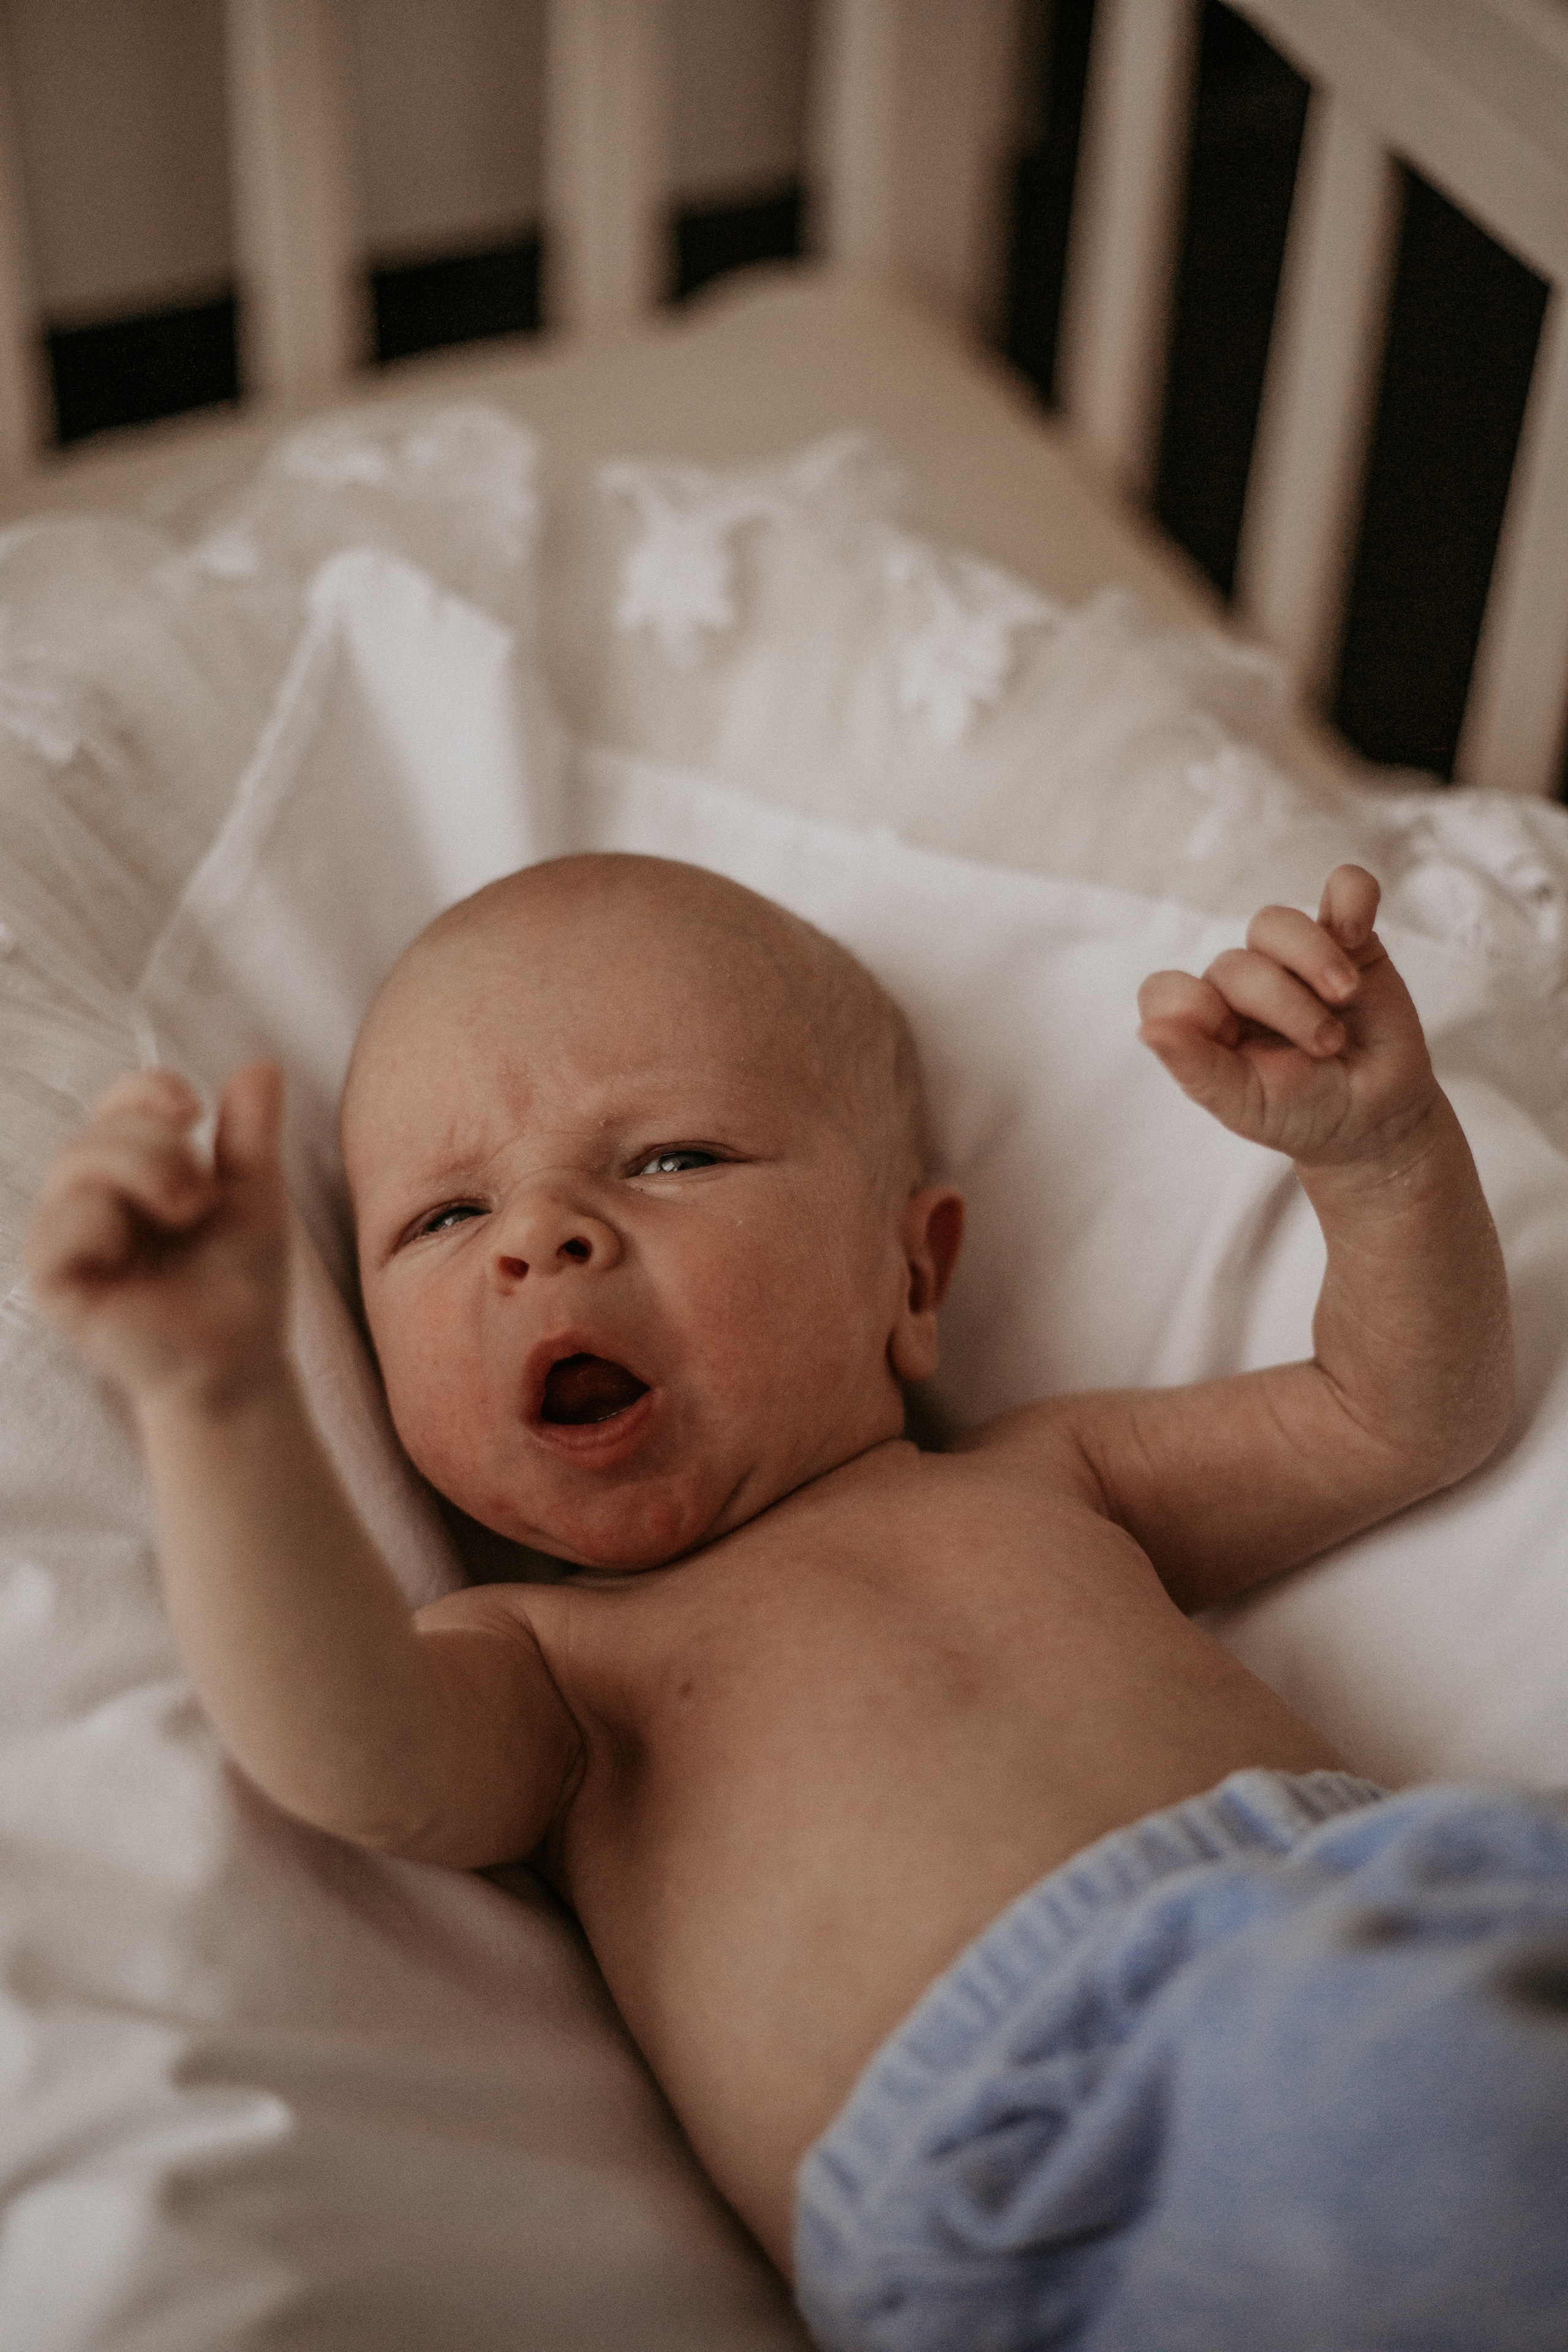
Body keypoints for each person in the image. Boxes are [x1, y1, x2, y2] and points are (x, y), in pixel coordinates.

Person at [26, 853, 1568, 2350]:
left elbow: (1398, 1416)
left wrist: (1376, 1161)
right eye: (441, 1220)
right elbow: (349, 1750)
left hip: (1402, 1916)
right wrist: (216, 1402)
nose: (541, 1235)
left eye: (671, 1158)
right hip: (1066, 2146)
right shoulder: (558, 1666)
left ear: (910, 1277)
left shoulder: (1045, 1475)